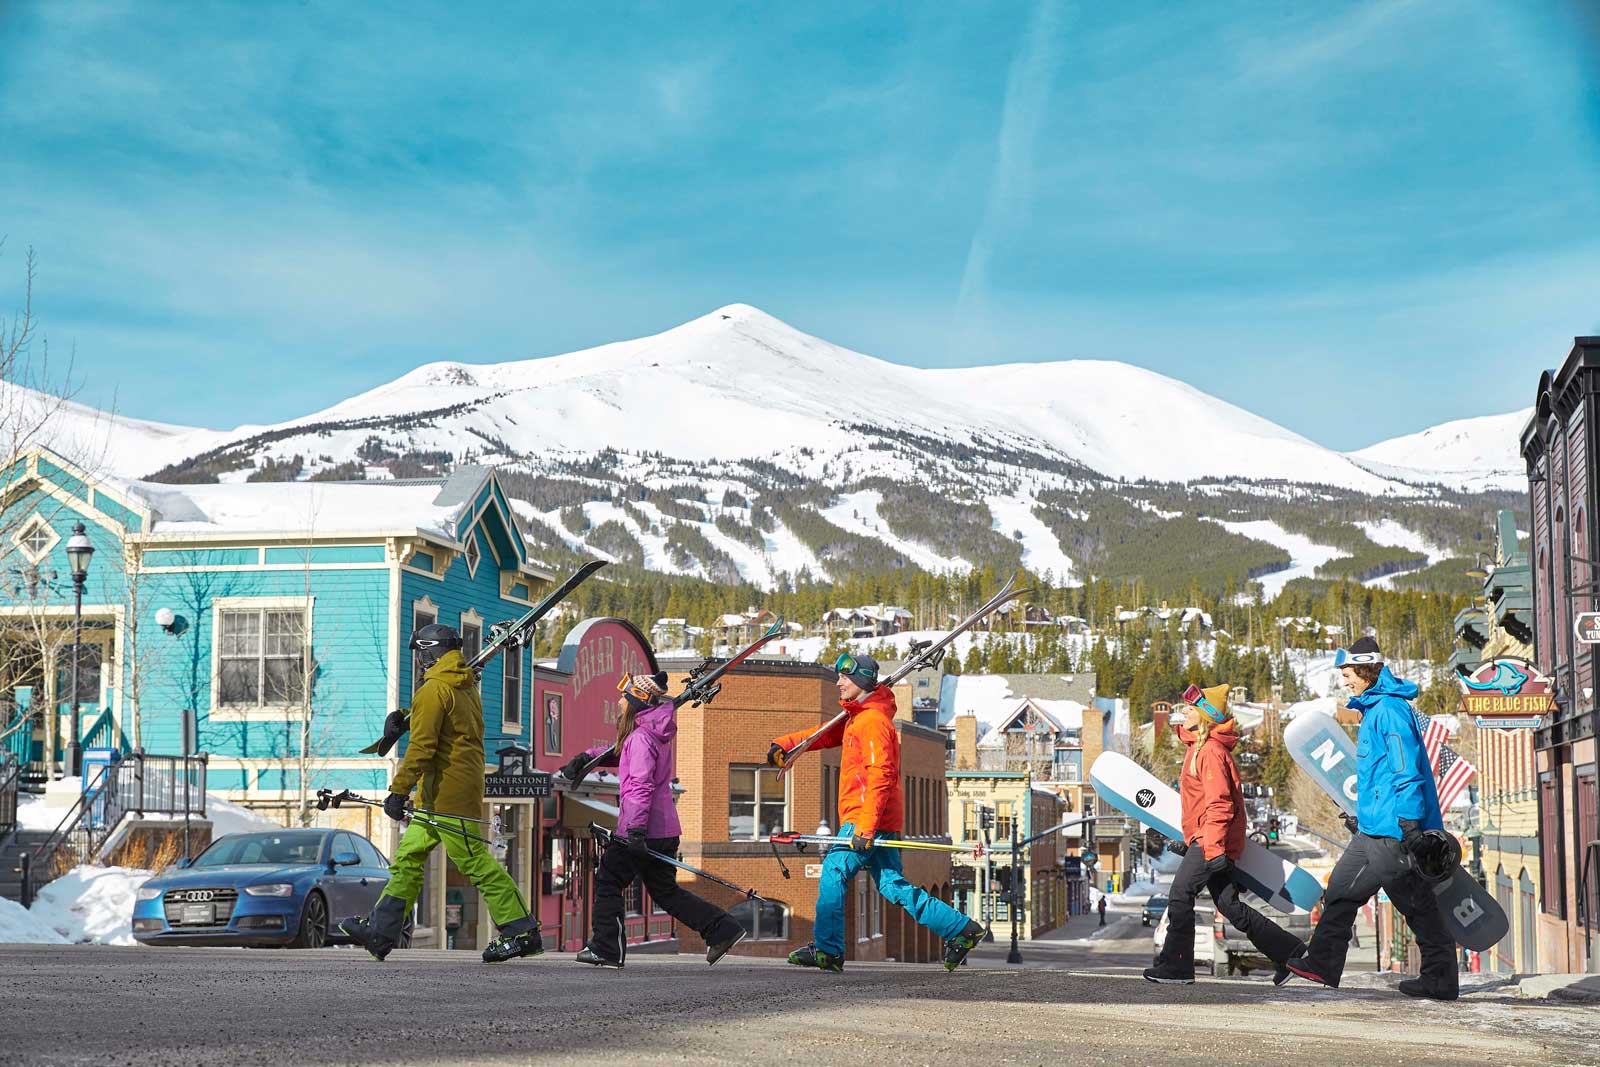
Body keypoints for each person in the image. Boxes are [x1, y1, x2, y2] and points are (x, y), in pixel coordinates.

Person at [768, 653, 984, 973]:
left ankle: (828, 950)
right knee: (892, 886)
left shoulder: (873, 721)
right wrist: (786, 746)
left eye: (844, 678)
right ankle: (962, 930)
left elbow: (880, 774)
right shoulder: (861, 716)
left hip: (867, 818)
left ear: (862, 682)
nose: (838, 683)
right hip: (877, 819)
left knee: (833, 872)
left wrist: (865, 829)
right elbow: (826, 734)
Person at [339, 624, 543, 963]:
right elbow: (442, 722)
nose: (419, 659)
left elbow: (422, 746)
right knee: (408, 858)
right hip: (438, 795)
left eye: (421, 652)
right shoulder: (461, 685)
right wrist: (404, 716)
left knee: (474, 863)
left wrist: (398, 791)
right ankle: (382, 930)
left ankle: (521, 930)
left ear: (431, 651)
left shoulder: (435, 688)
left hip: (449, 794)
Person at [1285, 638, 1458, 1000]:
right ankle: (1322, 963)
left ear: (1365, 670)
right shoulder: (1373, 709)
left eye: (1348, 674)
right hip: (1371, 829)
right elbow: (1376, 778)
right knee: (1340, 892)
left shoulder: (1390, 711)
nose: (1345, 681)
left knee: (1415, 903)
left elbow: (1405, 769)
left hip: (1394, 830)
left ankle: (1440, 980)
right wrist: (1361, 817)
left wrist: (1411, 824)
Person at [565, 671, 748, 969]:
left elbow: (639, 784)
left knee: (608, 881)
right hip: (663, 828)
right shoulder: (651, 733)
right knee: (665, 892)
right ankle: (722, 929)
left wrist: (635, 831)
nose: (619, 704)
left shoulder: (640, 737)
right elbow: (620, 752)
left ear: (637, 701)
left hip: (641, 828)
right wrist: (586, 758)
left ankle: (606, 948)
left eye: (624, 699)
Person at [1143, 683, 1306, 986]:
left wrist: (1212, 848)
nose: (1184, 712)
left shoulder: (1211, 752)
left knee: (1180, 893)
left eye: (1191, 708)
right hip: (1206, 839)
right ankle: (1291, 953)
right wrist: (1190, 839)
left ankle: (1177, 966)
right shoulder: (1199, 749)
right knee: (1231, 907)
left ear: (1205, 716)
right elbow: (1201, 805)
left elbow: (1220, 804)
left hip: (1212, 842)